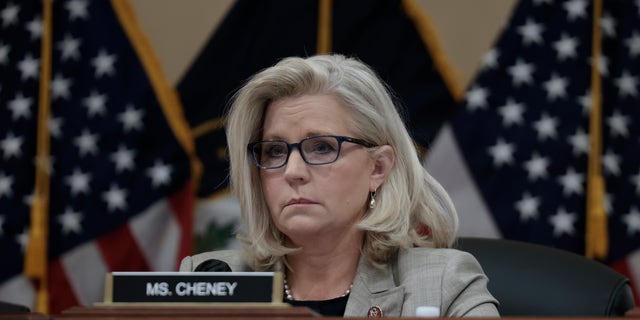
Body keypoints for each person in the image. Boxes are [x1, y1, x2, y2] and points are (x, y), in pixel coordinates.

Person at [180, 54, 499, 317]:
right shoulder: (208, 279)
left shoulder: (443, 284)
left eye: (321, 147)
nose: (293, 171)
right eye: (275, 151)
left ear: (378, 168)